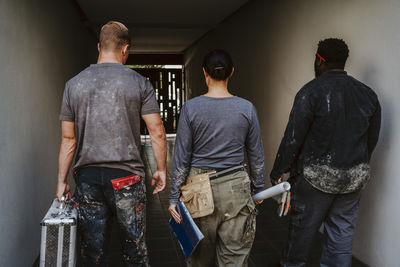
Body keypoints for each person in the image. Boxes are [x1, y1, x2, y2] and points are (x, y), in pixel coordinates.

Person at [56, 21, 167, 266]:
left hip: (88, 179)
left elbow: (68, 139)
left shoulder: (73, 85)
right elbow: (157, 131)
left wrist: (62, 181)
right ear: (125, 49)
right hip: (126, 178)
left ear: (99, 46)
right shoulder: (139, 82)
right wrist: (160, 169)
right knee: (135, 252)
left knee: (94, 254)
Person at [270, 38, 381, 267]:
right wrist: (356, 166)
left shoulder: (310, 92)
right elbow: (372, 140)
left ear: (319, 60)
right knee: (341, 239)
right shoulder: (368, 95)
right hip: (352, 180)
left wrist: (278, 171)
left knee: (300, 238)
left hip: (314, 180)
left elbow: (293, 138)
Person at [168, 49, 266, 267]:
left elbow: (181, 158)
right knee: (234, 258)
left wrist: (174, 197)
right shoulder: (246, 108)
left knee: (200, 258)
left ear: (204, 73)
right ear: (232, 72)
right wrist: (258, 187)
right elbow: (256, 153)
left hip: (198, 190)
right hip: (236, 190)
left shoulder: (191, 109)